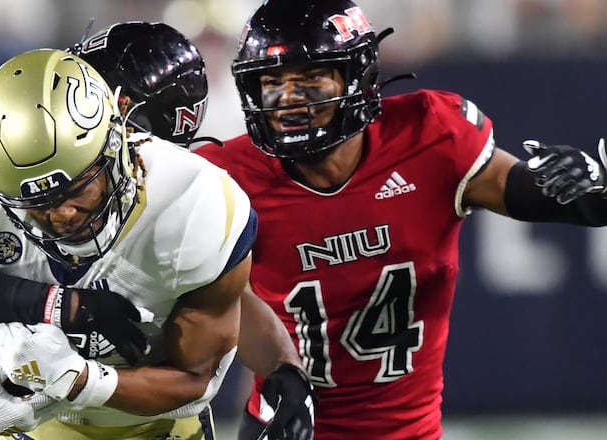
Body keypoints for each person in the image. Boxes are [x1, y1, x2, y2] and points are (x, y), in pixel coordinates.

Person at [0, 21, 311, 440]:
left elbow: (212, 293)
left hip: (32, 398)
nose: (148, 155)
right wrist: (53, 307)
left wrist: (284, 366)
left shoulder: (159, 185)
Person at [192, 0, 607, 439]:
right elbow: (202, 291)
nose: (289, 98)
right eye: (272, 81)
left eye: (311, 77)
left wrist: (586, 189)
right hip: (292, 425)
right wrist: (281, 371)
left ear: (357, 74)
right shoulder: (224, 177)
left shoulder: (430, 136)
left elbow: (524, 190)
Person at [0, 47, 253, 438]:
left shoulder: (193, 204)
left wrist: (80, 379)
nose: (64, 215)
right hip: (37, 424)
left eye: (78, 188)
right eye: (38, 204)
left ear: (116, 144)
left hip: (154, 424)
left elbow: (195, 384)